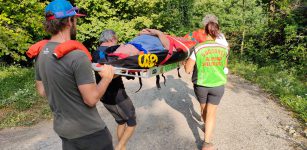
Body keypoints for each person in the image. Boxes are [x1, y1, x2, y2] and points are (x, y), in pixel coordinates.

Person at [33, 0, 114, 149]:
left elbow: (42, 91)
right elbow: (91, 99)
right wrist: (107, 78)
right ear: (69, 21)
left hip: (64, 132)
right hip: (90, 134)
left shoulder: (41, 53)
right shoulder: (77, 56)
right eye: (75, 19)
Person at [184, 21, 228, 150]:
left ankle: (206, 127)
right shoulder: (224, 48)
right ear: (217, 32)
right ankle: (207, 143)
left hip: (201, 85)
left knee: (204, 110)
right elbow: (225, 68)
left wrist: (187, 63)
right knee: (211, 113)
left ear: (205, 32)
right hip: (218, 85)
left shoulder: (198, 48)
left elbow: (188, 69)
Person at [92, 30, 137, 150]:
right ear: (111, 39)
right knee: (132, 122)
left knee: (121, 122)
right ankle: (119, 148)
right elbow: (106, 75)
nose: (116, 42)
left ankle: (122, 148)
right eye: (116, 40)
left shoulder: (97, 52)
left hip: (105, 97)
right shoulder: (103, 53)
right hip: (117, 96)